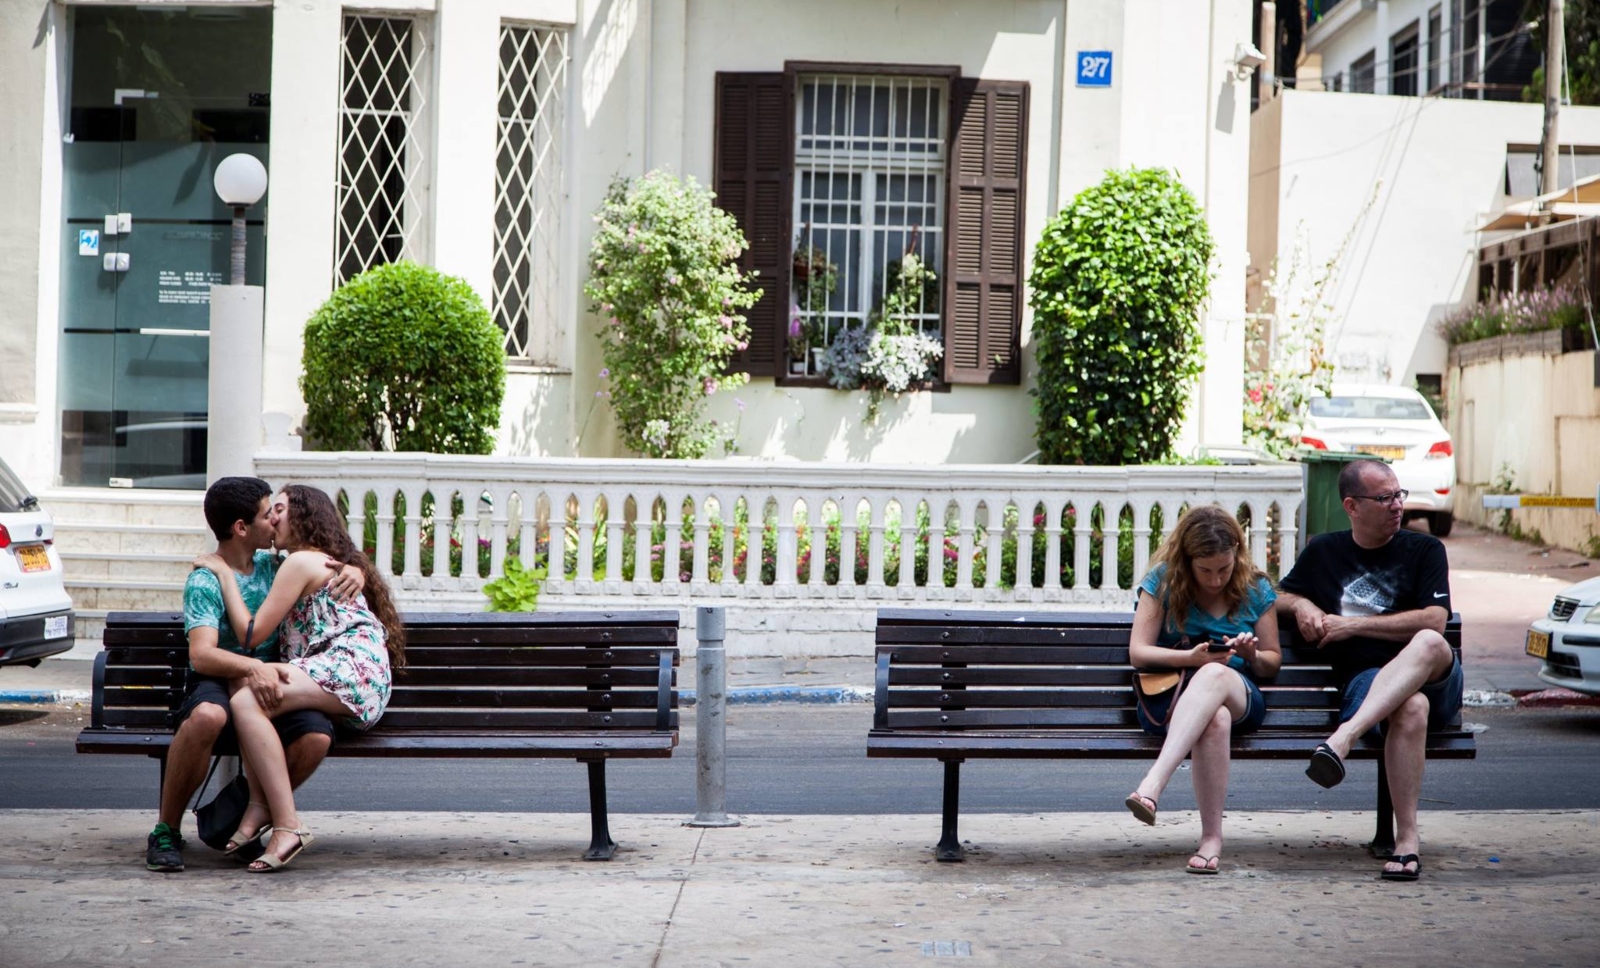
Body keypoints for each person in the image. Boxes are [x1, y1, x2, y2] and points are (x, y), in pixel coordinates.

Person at [146, 476, 360, 873]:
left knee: (315, 735)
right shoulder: (205, 579)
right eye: (267, 515)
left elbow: (321, 558)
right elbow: (203, 655)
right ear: (241, 527)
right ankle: (166, 830)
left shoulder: (272, 563)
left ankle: (249, 816)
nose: (275, 523)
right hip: (225, 675)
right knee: (210, 715)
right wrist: (252, 667)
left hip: (276, 677)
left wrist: (354, 571)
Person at [194, 483, 405, 872]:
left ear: (303, 517)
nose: (271, 518)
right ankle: (259, 808)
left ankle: (287, 825)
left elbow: (250, 634)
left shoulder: (299, 562)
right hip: (357, 673)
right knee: (245, 684)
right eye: (268, 511)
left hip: (350, 665)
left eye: (279, 510)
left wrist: (223, 573)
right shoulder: (314, 562)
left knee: (245, 697)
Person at [1276, 459, 1460, 882]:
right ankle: (1407, 842)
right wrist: (1302, 603)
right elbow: (1273, 595)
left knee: (1429, 642)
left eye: (1399, 495)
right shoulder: (1325, 551)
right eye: (1384, 498)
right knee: (1408, 707)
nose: (1397, 505)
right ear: (1352, 506)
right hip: (1368, 683)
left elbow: (1435, 620)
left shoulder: (1425, 549)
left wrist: (1353, 625)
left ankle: (1342, 739)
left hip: (1436, 680)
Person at [1121, 505, 1281, 875]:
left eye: (1224, 569)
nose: (1215, 579)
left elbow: (1272, 661)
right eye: (1205, 570)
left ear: (1236, 555)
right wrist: (1192, 659)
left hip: (1241, 694)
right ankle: (1212, 840)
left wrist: (1250, 654)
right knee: (1215, 719)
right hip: (1172, 705)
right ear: (1186, 560)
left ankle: (1152, 785)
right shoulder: (1163, 581)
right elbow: (1138, 651)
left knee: (1215, 680)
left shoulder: (1255, 586)